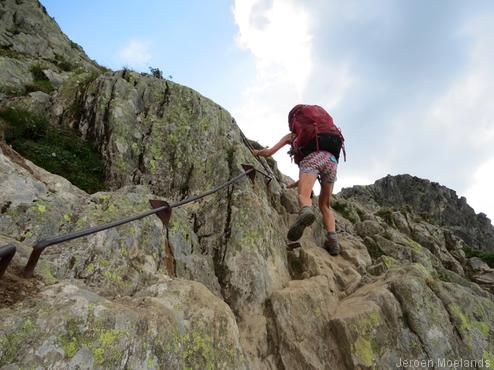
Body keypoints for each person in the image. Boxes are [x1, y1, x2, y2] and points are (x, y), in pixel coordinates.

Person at [252, 104, 344, 255]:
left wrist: (257, 152)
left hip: (312, 160)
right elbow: (309, 176)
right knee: (325, 205)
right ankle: (333, 240)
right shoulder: (323, 131)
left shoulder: (292, 136)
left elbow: (269, 152)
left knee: (304, 195)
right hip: (332, 160)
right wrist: (296, 182)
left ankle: (306, 211)